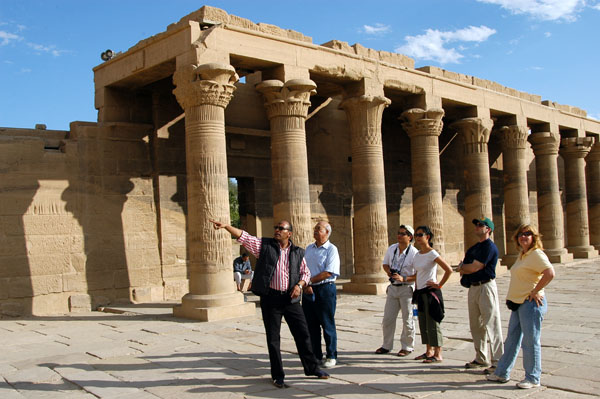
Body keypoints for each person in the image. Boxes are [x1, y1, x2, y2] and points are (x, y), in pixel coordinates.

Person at [210, 219, 329, 388]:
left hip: (291, 300)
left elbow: (305, 273)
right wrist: (226, 227)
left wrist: (299, 285)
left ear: (290, 233)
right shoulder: (264, 246)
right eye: (276, 228)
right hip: (271, 299)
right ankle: (277, 375)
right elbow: (245, 237)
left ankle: (312, 368)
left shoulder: (297, 252)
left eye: (281, 228)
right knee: (273, 339)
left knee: (303, 334)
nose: (277, 230)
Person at [487, 223, 555, 389]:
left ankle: (533, 377)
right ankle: (502, 372)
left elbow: (550, 273)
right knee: (512, 340)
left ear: (534, 237)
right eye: (520, 234)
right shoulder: (523, 255)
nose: (523, 237)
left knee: (530, 342)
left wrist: (536, 290)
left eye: (527, 234)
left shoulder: (536, 254)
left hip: (531, 303)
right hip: (518, 303)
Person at [457, 217, 503, 373]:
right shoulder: (475, 247)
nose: (476, 227)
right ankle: (481, 357)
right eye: (476, 225)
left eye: (480, 225)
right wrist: (464, 267)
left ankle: (498, 361)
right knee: (476, 324)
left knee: (492, 323)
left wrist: (464, 268)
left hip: (486, 287)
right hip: (474, 287)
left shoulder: (489, 247)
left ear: (488, 229)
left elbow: (474, 267)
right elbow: (465, 265)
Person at [411, 225, 452, 363]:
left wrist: (439, 284)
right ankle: (428, 351)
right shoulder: (417, 254)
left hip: (430, 292)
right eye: (416, 235)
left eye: (420, 234)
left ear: (427, 237)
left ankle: (438, 353)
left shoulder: (432, 253)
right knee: (423, 322)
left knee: (433, 322)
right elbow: (417, 274)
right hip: (420, 292)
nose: (417, 237)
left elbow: (448, 270)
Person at [375, 224, 418, 357]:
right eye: (398, 233)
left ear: (409, 237)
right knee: (388, 318)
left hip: (407, 288)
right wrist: (389, 272)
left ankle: (407, 346)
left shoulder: (414, 253)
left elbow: (418, 274)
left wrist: (404, 278)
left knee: (408, 319)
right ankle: (386, 345)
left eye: (402, 234)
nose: (399, 236)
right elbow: (385, 264)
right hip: (393, 287)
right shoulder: (392, 248)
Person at [302, 221, 340, 368]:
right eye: (315, 228)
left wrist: (308, 281)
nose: (316, 231)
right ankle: (316, 355)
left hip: (324, 289)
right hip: (308, 290)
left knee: (327, 323)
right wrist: (305, 284)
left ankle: (331, 355)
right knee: (311, 325)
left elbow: (329, 272)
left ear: (327, 232)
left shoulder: (331, 249)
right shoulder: (309, 248)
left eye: (319, 228)